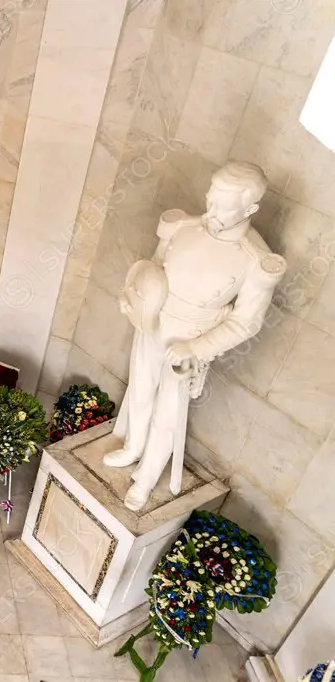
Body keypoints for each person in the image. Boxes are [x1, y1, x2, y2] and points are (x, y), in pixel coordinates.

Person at [103, 161, 286, 510]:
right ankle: (132, 447)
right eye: (211, 199)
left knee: (167, 414)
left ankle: (145, 479)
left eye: (223, 205)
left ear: (250, 209)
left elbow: (247, 322)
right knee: (140, 391)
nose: (211, 210)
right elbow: (152, 270)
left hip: (190, 339)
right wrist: (135, 300)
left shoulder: (256, 260)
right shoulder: (184, 227)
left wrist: (197, 346)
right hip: (154, 323)